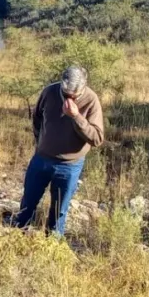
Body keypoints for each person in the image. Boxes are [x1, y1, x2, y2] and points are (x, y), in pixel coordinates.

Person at [15, 66, 104, 236]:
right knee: (27, 202)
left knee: (58, 212)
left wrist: (76, 116)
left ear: (83, 87)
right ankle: (18, 235)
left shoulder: (91, 99)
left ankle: (53, 248)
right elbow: (37, 119)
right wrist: (41, 142)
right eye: (66, 93)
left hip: (69, 166)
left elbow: (97, 139)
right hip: (41, 159)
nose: (69, 98)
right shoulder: (49, 92)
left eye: (74, 96)